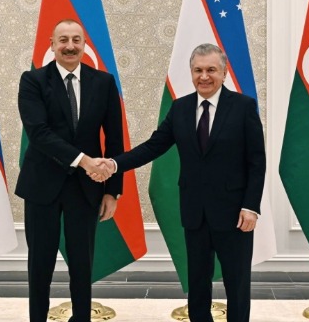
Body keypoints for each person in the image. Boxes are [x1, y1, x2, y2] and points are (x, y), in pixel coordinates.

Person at [92, 43, 265, 322]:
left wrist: (251, 207)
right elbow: (152, 147)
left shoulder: (243, 107)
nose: (204, 76)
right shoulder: (180, 108)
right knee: (197, 283)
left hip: (234, 213)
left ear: (224, 73)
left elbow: (257, 162)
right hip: (194, 211)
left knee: (237, 283)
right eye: (198, 70)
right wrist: (114, 164)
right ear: (191, 72)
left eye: (211, 70)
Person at [15, 19, 123, 322]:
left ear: (85, 45)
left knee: (82, 265)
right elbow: (39, 133)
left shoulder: (103, 82)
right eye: (63, 40)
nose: (70, 46)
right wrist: (85, 161)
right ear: (52, 45)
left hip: (86, 188)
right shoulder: (33, 81)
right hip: (42, 186)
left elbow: (115, 139)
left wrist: (113, 191)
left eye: (76, 40)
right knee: (40, 265)